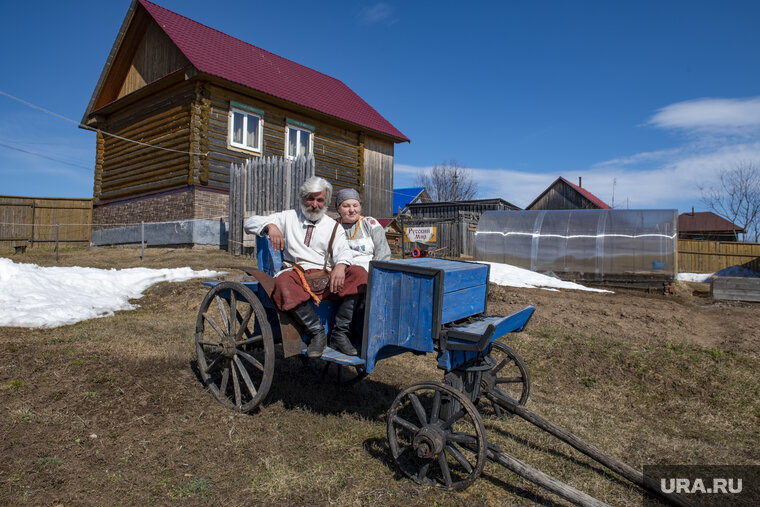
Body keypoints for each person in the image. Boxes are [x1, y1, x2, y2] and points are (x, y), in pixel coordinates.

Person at [243, 177, 366, 357]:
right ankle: (317, 333)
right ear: (303, 198)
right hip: (297, 276)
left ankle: (340, 333)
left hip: (326, 278)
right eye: (310, 198)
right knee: (283, 282)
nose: (314, 204)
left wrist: (340, 266)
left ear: (326, 202)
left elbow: (344, 252)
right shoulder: (287, 217)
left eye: (320, 200)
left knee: (359, 274)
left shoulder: (333, 226)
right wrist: (270, 225)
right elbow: (249, 222)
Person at [335, 188, 392, 270]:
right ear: (338, 209)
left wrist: (374, 273)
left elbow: (383, 252)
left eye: (355, 205)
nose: (352, 210)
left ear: (360, 207)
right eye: (346, 206)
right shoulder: (333, 226)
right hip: (341, 275)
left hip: (370, 274)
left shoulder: (370, 223)